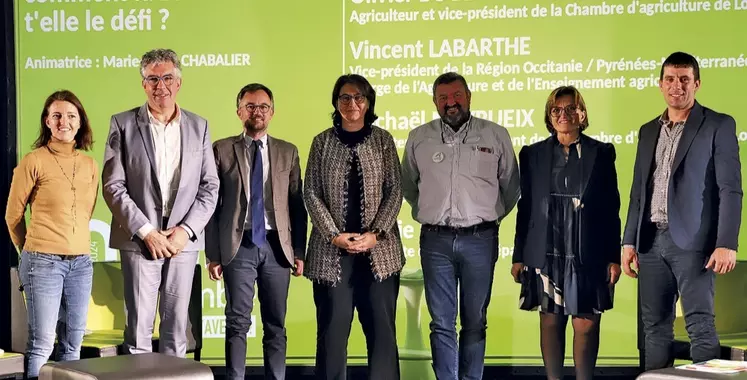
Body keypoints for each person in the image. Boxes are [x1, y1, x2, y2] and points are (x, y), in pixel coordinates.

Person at [622, 51, 742, 370]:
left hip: (695, 244)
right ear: (660, 85)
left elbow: (730, 188)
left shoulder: (718, 124)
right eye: (671, 79)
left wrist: (726, 242)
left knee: (700, 326)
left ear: (697, 84)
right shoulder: (648, 130)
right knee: (654, 330)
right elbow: (638, 192)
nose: (677, 86)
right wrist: (628, 242)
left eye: (685, 79)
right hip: (650, 243)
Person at [402, 72, 520, 380]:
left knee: (474, 322)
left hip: (480, 240)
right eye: (443, 98)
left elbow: (510, 188)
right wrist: (431, 212)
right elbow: (408, 185)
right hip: (435, 242)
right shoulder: (419, 137)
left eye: (456, 96)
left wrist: (485, 217)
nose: (450, 103)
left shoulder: (495, 135)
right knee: (441, 322)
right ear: (434, 102)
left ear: (468, 97)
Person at [102, 48, 219, 357]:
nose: (160, 86)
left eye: (167, 78)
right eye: (152, 79)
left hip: (183, 244)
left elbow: (210, 186)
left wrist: (185, 232)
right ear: (143, 84)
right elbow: (113, 186)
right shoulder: (123, 124)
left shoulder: (199, 127)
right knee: (138, 332)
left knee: (177, 331)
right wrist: (147, 232)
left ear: (178, 82)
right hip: (140, 242)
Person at [511, 86, 621, 380]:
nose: (564, 114)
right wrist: (519, 255)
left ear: (582, 114)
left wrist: (613, 257)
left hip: (588, 252)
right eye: (557, 109)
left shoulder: (602, 153)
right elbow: (527, 208)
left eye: (571, 108)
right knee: (550, 322)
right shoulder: (532, 154)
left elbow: (612, 208)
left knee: (585, 324)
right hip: (546, 251)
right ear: (549, 115)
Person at [304, 74, 404, 380]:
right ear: (336, 102)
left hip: (380, 254)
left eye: (359, 97)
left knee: (382, 334)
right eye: (345, 98)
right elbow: (311, 192)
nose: (352, 104)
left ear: (369, 101)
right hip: (331, 253)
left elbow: (395, 190)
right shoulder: (321, 142)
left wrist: (377, 234)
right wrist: (334, 235)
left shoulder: (383, 140)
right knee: (332, 334)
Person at [205, 83, 307, 380]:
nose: (257, 111)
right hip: (239, 246)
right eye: (250, 106)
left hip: (277, 248)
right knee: (237, 321)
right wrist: (213, 254)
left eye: (263, 106)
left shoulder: (288, 152)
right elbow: (213, 205)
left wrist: (299, 251)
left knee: (276, 323)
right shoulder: (222, 149)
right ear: (239, 111)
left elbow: (297, 205)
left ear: (272, 112)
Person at [5, 90, 98, 378]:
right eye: (56, 115)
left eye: (71, 116)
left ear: (80, 122)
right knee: (42, 343)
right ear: (47, 121)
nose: (64, 122)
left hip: (81, 263)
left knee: (74, 344)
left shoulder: (90, 165)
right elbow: (13, 216)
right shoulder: (33, 161)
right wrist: (31, 250)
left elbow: (86, 213)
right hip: (41, 262)